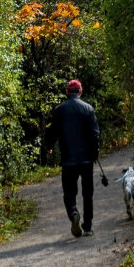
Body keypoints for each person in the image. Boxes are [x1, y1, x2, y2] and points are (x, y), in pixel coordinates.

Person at [42, 78, 100, 237]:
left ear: (67, 92)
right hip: (86, 160)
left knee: (69, 194)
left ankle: (74, 212)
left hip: (68, 160)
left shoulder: (60, 110)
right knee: (87, 194)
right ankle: (87, 227)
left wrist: (48, 147)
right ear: (80, 92)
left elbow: (52, 131)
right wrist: (95, 153)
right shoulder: (88, 109)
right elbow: (95, 135)